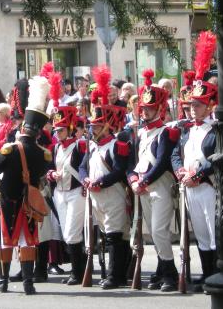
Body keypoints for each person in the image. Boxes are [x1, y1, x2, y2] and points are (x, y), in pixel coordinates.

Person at [0, 75, 52, 295]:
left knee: (5, 242)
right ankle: (28, 283)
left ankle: (2, 282)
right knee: (27, 242)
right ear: (37, 131)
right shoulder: (44, 154)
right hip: (29, 201)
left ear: (22, 127)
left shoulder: (10, 149)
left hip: (9, 201)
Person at [78, 66, 130, 290]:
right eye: (92, 126)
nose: (93, 129)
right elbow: (82, 167)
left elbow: (119, 170)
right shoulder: (92, 146)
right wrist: (85, 180)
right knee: (105, 235)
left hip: (112, 194)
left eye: (97, 126)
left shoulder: (117, 145)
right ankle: (117, 274)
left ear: (106, 126)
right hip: (96, 195)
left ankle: (115, 275)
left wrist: (100, 182)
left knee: (114, 235)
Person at [128, 70, 180, 292]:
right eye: (143, 108)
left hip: (160, 186)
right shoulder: (140, 133)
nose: (145, 111)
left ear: (160, 108)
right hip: (142, 188)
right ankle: (161, 271)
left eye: (149, 108)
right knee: (152, 232)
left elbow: (161, 163)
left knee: (159, 230)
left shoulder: (166, 132)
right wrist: (133, 180)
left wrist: (143, 181)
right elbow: (132, 163)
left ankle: (171, 274)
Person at [171, 78, 218, 292]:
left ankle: (216, 275)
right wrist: (180, 170)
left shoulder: (215, 130)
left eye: (197, 105)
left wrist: (198, 175)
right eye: (191, 105)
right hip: (189, 186)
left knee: (212, 231)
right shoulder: (187, 130)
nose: (192, 108)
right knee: (200, 232)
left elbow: (215, 158)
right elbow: (175, 154)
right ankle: (208, 274)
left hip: (207, 185)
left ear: (209, 107)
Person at [45, 98, 86, 285]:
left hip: (76, 192)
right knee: (67, 233)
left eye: (61, 130)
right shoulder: (55, 148)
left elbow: (85, 168)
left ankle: (78, 273)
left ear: (69, 129)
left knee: (71, 233)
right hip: (59, 193)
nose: (57, 133)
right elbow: (49, 169)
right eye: (56, 130)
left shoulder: (79, 146)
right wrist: (52, 174)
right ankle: (79, 270)